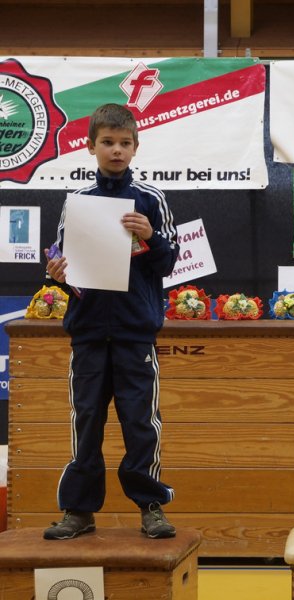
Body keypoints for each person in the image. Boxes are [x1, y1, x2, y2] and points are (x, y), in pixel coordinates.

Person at [42, 103, 180, 540]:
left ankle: (151, 506)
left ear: (136, 147)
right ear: (91, 147)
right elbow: (63, 266)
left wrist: (150, 236)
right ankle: (79, 511)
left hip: (134, 334)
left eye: (124, 143)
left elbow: (169, 263)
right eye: (107, 142)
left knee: (141, 422)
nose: (116, 150)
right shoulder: (77, 202)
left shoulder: (151, 199)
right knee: (86, 421)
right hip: (87, 334)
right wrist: (57, 275)